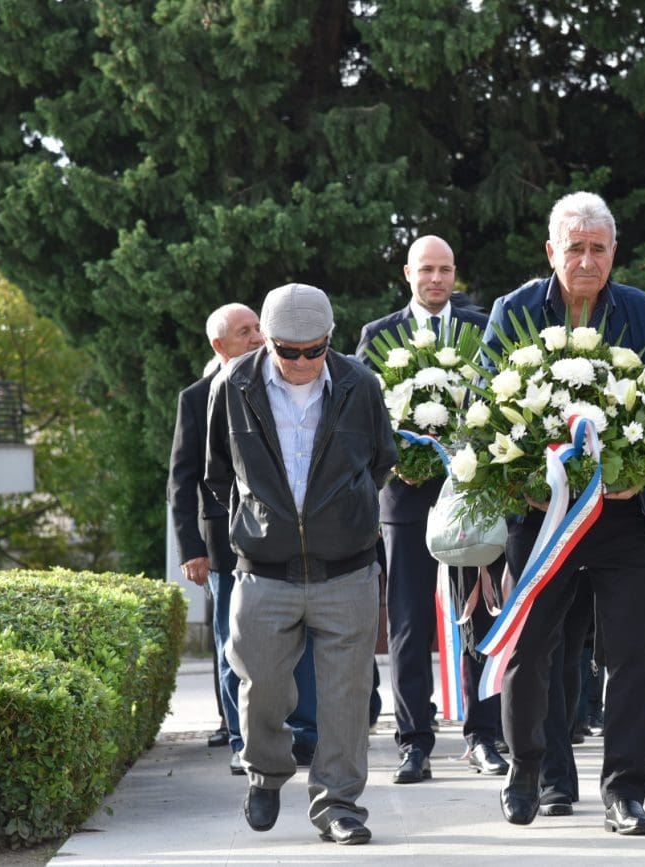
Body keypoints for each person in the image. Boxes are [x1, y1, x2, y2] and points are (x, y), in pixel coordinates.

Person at [482, 191, 645, 836]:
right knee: (529, 652)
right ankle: (529, 772)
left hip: (622, 516)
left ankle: (624, 790)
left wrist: (637, 474)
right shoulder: (513, 312)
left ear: (614, 253)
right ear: (551, 252)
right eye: (575, 248)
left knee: (631, 656)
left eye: (598, 248)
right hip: (541, 519)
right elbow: (484, 419)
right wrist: (526, 481)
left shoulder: (644, 314)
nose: (587, 260)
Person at [206, 283, 398, 846]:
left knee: (345, 695)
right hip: (264, 568)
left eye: (313, 350)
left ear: (329, 341)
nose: (301, 362)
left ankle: (339, 804)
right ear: (266, 341)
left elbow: (381, 459)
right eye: (288, 351)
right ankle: (265, 773)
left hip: (348, 567)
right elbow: (218, 472)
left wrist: (348, 510)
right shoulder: (234, 384)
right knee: (260, 683)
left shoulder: (360, 384)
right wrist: (259, 519)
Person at [354, 236, 507, 784]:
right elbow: (366, 418)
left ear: (455, 272)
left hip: (472, 496)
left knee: (479, 615)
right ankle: (414, 740)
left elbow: (502, 402)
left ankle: (484, 736)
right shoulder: (378, 336)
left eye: (445, 269)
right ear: (407, 273)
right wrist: (398, 463)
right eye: (426, 270)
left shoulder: (484, 329)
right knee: (409, 622)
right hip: (406, 497)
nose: (436, 279)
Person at [168, 304, 319, 775]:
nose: (256, 337)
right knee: (235, 646)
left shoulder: (283, 386)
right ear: (219, 345)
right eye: (244, 331)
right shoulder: (196, 398)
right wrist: (191, 548)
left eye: (258, 328)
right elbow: (183, 480)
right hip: (222, 546)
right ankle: (241, 739)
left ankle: (304, 735)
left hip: (283, 543)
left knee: (298, 640)